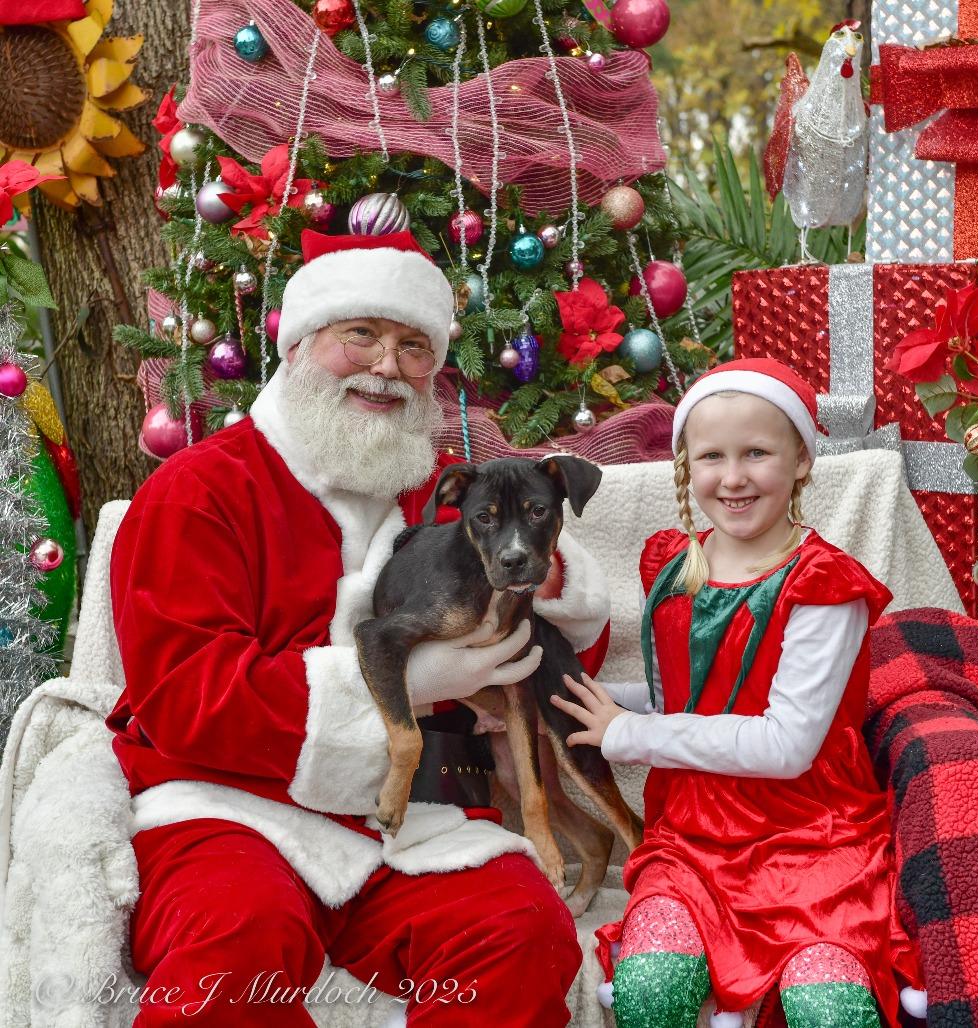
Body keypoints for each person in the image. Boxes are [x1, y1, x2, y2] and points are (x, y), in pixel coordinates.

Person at [105, 229, 611, 1026]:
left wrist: (552, 576)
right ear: (303, 344)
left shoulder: (446, 494)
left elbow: (557, 652)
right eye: (361, 336)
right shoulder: (197, 490)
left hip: (415, 816)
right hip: (230, 805)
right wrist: (404, 687)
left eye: (414, 347)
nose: (386, 367)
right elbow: (182, 696)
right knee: (234, 945)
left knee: (520, 933)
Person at [551, 358, 925, 1028]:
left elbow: (784, 744)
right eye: (712, 457)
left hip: (812, 842)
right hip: (693, 842)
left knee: (830, 1012)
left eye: (757, 453)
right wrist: (591, 703)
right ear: (686, 467)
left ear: (802, 461)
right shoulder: (674, 564)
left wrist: (630, 734)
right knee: (650, 993)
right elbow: (693, 693)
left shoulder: (822, 586)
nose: (733, 478)